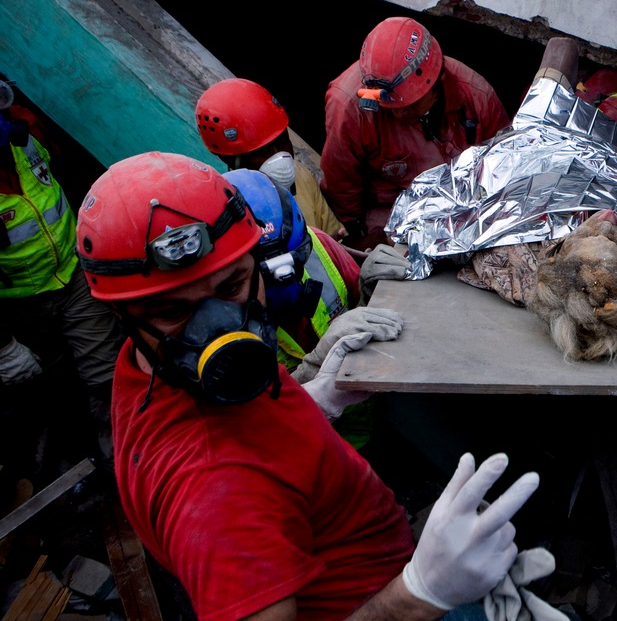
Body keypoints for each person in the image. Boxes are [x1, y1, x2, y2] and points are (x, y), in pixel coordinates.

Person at [75, 151, 545, 620]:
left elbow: (240, 434)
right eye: (176, 312)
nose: (220, 331)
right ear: (123, 317)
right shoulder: (219, 497)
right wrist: (423, 591)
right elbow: (226, 480)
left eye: (232, 286)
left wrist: (311, 401)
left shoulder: (153, 365)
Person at [0, 78, 121, 476]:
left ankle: (121, 460)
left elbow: (68, 173)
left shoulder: (26, 134)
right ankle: (69, 458)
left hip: (73, 278)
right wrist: (4, 346)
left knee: (105, 374)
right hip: (21, 307)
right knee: (52, 386)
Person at [224, 168, 389, 450]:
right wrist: (316, 365)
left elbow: (363, 308)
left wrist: (375, 289)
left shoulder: (319, 246)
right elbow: (254, 427)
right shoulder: (219, 329)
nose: (285, 282)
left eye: (296, 260)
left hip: (365, 421)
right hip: (304, 449)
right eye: (267, 277)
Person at [322, 17, 510, 250]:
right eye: (391, 106)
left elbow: (506, 170)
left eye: (410, 104)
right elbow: (342, 185)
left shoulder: (476, 97)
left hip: (464, 210)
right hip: (385, 213)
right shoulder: (349, 106)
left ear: (438, 82)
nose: (399, 114)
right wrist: (357, 235)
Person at [196, 77, 346, 239]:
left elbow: (337, 240)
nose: (279, 156)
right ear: (228, 159)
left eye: (283, 142)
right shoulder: (224, 218)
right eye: (261, 152)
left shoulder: (301, 177)